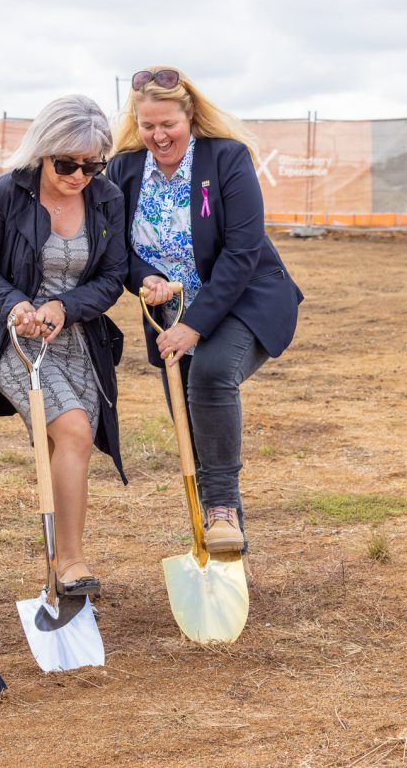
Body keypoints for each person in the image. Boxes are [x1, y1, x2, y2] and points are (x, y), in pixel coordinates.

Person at [107, 66, 302, 555]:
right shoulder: (125, 169)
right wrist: (142, 277)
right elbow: (117, 249)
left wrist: (194, 325)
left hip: (244, 299)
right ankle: (209, 532)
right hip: (170, 314)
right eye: (147, 125)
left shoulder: (226, 159)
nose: (157, 135)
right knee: (187, 419)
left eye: (167, 124)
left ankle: (222, 510)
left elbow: (242, 250)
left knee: (210, 376)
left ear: (189, 115)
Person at [0, 95, 127, 597]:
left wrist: (66, 307)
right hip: (12, 340)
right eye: (67, 164)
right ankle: (71, 562)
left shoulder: (107, 198)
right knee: (74, 430)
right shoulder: (2, 193)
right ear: (43, 152)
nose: (79, 176)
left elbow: (112, 277)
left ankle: (59, 570)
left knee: (66, 443)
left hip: (76, 337)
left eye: (92, 165)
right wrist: (17, 304)